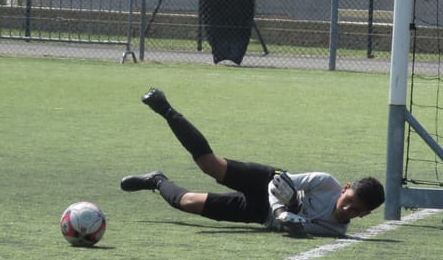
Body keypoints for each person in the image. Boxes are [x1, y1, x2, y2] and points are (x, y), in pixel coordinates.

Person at [120, 88, 385, 237]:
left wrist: (286, 219)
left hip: (260, 213)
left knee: (187, 202)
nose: (347, 208)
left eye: (355, 210)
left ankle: (157, 180)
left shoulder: (336, 231)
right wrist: (284, 208)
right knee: (211, 166)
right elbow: (280, 185)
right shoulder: (326, 182)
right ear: (345, 187)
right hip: (267, 180)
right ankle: (164, 108)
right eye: (348, 199)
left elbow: (294, 228)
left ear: (364, 215)